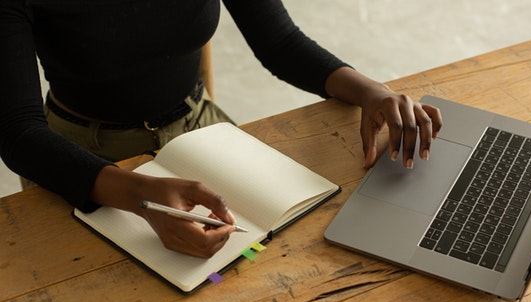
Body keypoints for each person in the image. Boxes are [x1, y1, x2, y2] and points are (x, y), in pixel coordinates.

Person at [0, 0, 442, 258]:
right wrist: (140, 195)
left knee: (288, 246)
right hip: (79, 155)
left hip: (199, 128)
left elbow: (280, 42)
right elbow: (19, 133)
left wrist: (370, 91)